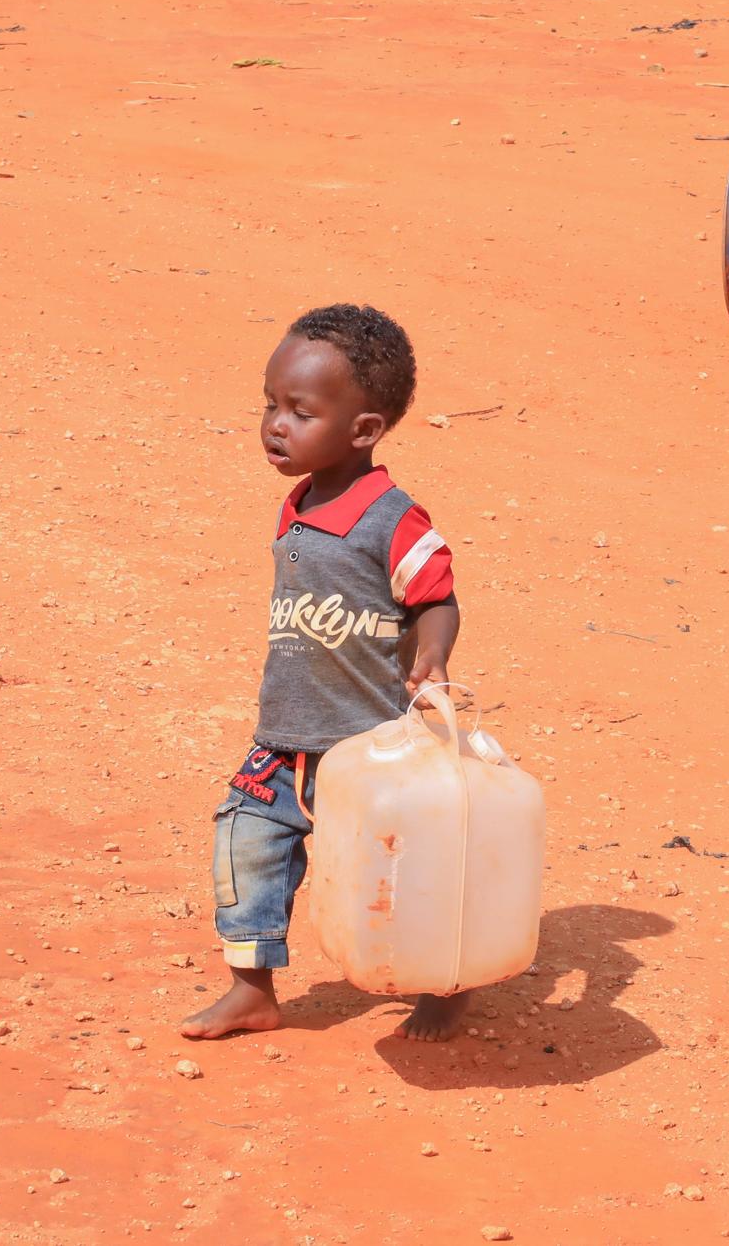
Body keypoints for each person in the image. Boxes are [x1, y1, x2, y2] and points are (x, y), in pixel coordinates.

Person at [180, 303, 464, 1042]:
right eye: (270, 405)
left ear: (363, 430)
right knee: (246, 843)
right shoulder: (298, 506)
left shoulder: (392, 519)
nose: (276, 425)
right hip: (284, 740)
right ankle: (251, 990)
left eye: (300, 413)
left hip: (369, 750)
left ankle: (444, 980)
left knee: (400, 874)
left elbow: (436, 597)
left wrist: (432, 655)